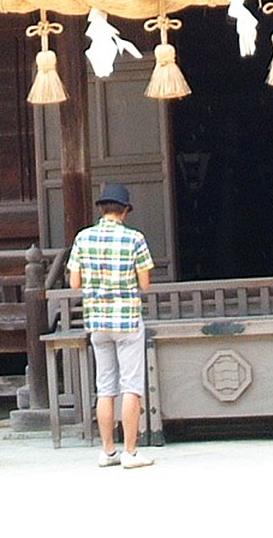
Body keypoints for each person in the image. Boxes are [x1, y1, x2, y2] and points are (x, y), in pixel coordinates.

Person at [67, 181, 155, 468]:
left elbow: (74, 282)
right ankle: (130, 452)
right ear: (125, 211)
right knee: (131, 386)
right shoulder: (135, 239)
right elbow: (144, 283)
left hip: (97, 320)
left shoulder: (83, 238)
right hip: (127, 319)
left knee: (105, 387)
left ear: (102, 209)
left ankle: (108, 451)